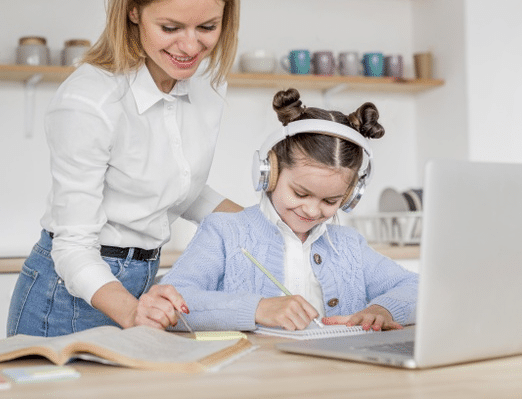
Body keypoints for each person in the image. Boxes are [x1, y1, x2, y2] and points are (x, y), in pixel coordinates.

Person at [7, 0, 242, 337]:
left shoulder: (205, 89)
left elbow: (177, 187)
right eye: (170, 27)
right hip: (67, 297)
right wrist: (132, 312)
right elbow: (72, 246)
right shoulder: (90, 100)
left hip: (144, 282)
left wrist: (267, 224)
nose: (190, 46)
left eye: (207, 26)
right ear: (133, 10)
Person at [160, 88, 419, 332]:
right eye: (300, 193)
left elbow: (417, 287)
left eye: (330, 201)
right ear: (269, 173)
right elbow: (169, 301)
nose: (311, 209)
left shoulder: (349, 247)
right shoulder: (225, 232)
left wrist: (383, 309)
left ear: (350, 196)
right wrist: (257, 309)